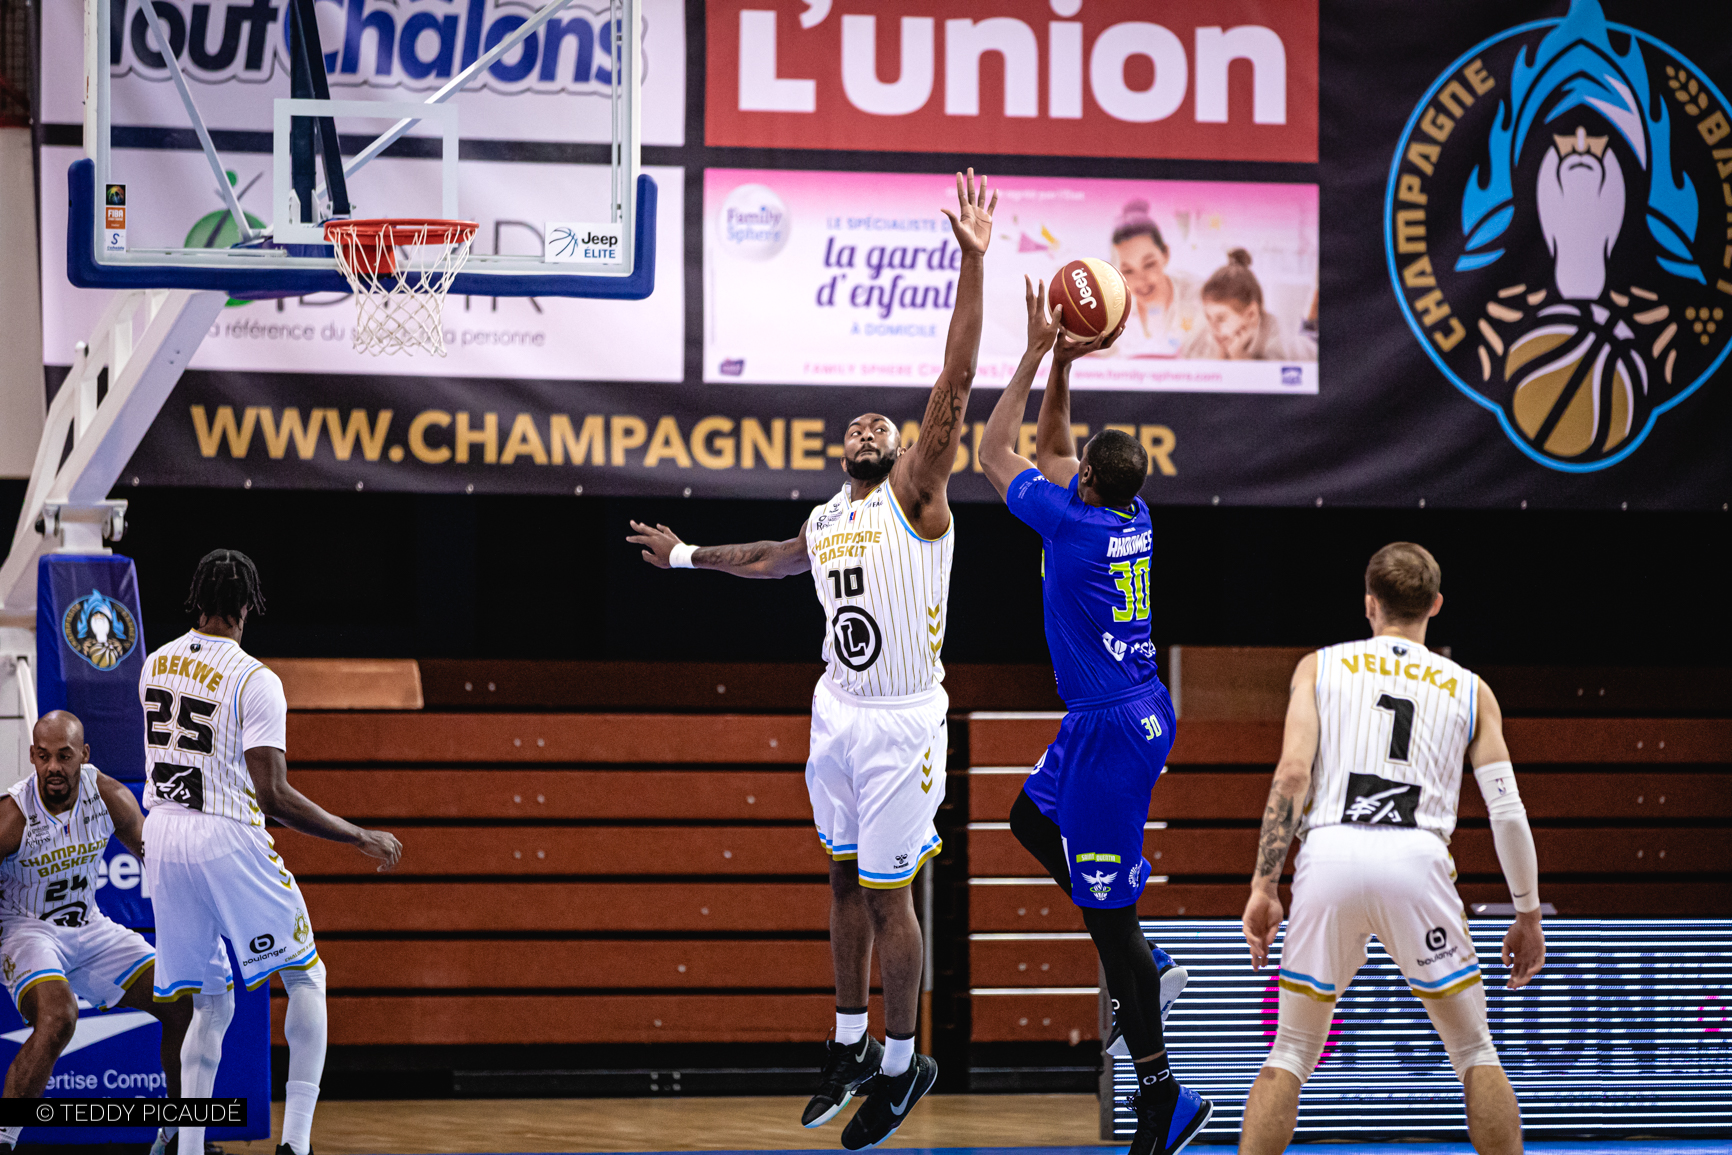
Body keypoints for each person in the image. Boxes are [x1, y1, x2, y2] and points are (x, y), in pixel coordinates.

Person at [626, 170, 996, 1151]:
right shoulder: (828, 519)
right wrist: (687, 557)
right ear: (839, 448)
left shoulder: (916, 494)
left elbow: (953, 380)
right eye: (855, 421)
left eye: (883, 420)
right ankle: (843, 1043)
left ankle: (901, 1057)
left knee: (890, 893)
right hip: (835, 711)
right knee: (841, 882)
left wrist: (973, 264)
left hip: (904, 720)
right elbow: (769, 561)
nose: (867, 423)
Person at [976, 277, 1212, 1155]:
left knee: (1107, 919)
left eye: (1071, 468)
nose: (1061, 466)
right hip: (1118, 712)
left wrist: (1039, 349)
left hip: (1113, 727)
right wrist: (1070, 364)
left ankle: (1163, 1096)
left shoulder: (1067, 527)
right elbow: (1051, 446)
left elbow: (999, 450)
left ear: (1082, 484)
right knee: (1027, 819)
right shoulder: (1127, 512)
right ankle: (1143, 964)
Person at [1238, 543, 1546, 1155]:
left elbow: (1291, 778)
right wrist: (1528, 913)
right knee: (1474, 1050)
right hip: (1417, 859)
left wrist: (1264, 886)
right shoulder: (1470, 689)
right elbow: (1506, 811)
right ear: (1434, 604)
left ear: (1370, 603)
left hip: (1327, 853)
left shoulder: (1319, 667)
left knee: (1292, 1051)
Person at [139, 549, 403, 1155]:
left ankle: (187, 1146)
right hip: (224, 833)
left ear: (196, 599)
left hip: (165, 836)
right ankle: (298, 1144)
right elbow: (275, 796)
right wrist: (359, 835)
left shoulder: (154, 662)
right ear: (248, 606)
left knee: (210, 1001)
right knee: (307, 976)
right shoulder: (256, 679)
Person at [0, 712, 194, 1153]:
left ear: (83, 756)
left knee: (182, 1004)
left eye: (64, 756)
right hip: (26, 930)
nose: (53, 767)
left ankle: (176, 1132)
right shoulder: (13, 814)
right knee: (59, 1017)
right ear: (32, 756)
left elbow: (156, 860)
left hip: (89, 926)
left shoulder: (108, 796)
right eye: (44, 756)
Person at [1179, 249, 1316, 361]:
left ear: (1251, 315)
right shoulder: (1207, 334)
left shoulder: (1278, 343)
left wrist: (1240, 358)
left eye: (1221, 319)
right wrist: (1219, 357)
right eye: (1208, 317)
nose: (1212, 327)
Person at [1108, 201, 1201, 358]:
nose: (1141, 280)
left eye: (1149, 264)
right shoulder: (1111, 309)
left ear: (1165, 254)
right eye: (1128, 271)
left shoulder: (1198, 297)